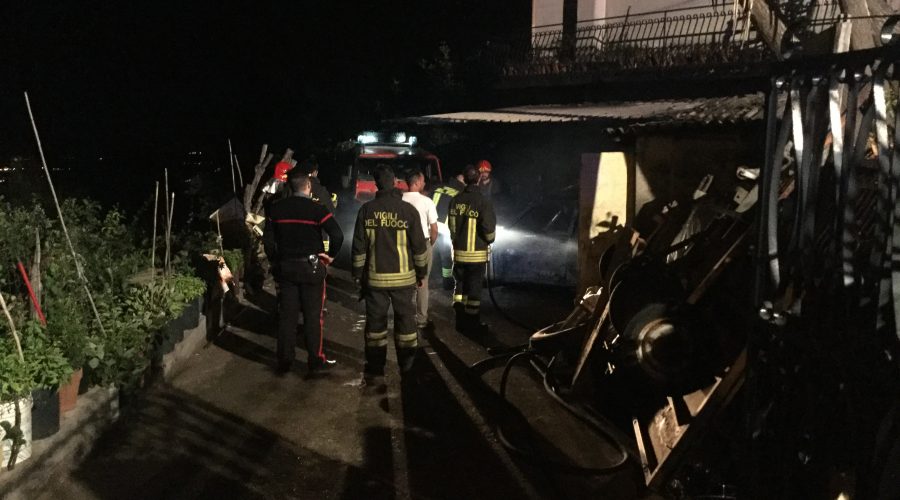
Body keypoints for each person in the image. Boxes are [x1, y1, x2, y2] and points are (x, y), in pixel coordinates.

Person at [263, 168, 344, 376]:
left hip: (286, 268)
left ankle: (285, 361)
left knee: (287, 316)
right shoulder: (316, 209)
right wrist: (330, 256)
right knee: (312, 316)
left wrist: (275, 260)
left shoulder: (276, 209)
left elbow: (268, 242)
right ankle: (315, 360)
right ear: (308, 186)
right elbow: (337, 235)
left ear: (289, 186)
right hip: (312, 268)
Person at [351, 165, 428, 380]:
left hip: (375, 281)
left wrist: (357, 274)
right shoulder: (408, 211)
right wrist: (421, 273)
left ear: (377, 184)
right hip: (404, 281)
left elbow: (358, 248)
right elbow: (419, 248)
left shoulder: (367, 210)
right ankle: (408, 365)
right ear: (395, 182)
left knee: (375, 326)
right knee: (406, 324)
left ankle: (376, 367)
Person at [448, 164, 496, 336]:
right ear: (477, 179)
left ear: (465, 180)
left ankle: (460, 319)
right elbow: (489, 231)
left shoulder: (455, 200)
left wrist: (457, 241)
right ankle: (472, 324)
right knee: (474, 290)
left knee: (460, 287)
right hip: (476, 256)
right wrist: (489, 239)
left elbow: (452, 227)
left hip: (459, 253)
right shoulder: (483, 201)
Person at [402, 168, 439, 330]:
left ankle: (405, 316)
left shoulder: (400, 200)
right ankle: (421, 319)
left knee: (404, 281)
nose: (424, 183)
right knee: (422, 281)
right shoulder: (427, 201)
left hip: (402, 244)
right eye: (423, 180)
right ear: (416, 183)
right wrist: (430, 243)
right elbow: (434, 229)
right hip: (423, 244)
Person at [431, 170, 466, 290]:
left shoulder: (439, 187)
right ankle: (447, 282)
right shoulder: (460, 193)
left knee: (429, 254)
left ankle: (426, 278)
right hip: (445, 230)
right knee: (446, 257)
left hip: (431, 226)